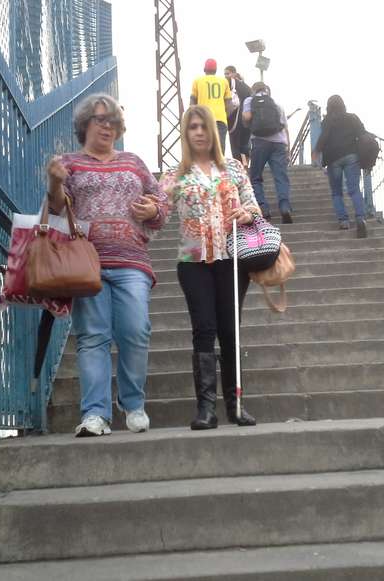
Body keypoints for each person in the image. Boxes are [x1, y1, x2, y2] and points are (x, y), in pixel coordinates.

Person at [47, 93, 169, 437]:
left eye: (113, 121)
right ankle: (95, 413)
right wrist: (55, 181)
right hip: (86, 261)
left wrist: (152, 211)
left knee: (135, 329)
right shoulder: (69, 162)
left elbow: (160, 202)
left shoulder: (133, 162)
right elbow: (57, 209)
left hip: (131, 259)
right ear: (84, 124)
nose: (108, 126)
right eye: (101, 119)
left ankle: (131, 402)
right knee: (93, 336)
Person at [160, 105, 258, 430]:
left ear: (212, 132)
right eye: (193, 127)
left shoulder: (232, 168)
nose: (199, 132)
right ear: (186, 134)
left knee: (230, 331)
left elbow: (252, 203)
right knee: (204, 330)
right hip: (194, 263)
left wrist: (247, 213)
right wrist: (148, 207)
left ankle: (235, 404)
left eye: (203, 126)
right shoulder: (176, 175)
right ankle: (206, 409)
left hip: (231, 260)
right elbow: (159, 210)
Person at [312, 94, 368, 238]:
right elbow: (363, 134)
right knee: (354, 189)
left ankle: (343, 221)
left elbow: (323, 137)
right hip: (351, 156)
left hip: (333, 159)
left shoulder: (327, 121)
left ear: (328, 107)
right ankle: (360, 218)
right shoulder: (352, 118)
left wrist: (316, 151)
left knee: (336, 192)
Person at [242, 82, 293, 224]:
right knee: (280, 176)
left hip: (260, 141)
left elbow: (246, 117)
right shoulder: (276, 104)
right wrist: (287, 149)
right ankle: (284, 207)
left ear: (253, 90)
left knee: (256, 177)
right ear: (267, 91)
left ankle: (264, 209)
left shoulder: (249, 100)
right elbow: (285, 128)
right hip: (279, 143)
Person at [190, 58, 233, 155]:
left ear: (204, 69)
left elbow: (192, 103)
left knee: (203, 150)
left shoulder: (197, 81)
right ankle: (219, 169)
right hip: (220, 120)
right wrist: (225, 116)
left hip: (203, 119)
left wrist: (192, 119)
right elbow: (230, 105)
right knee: (219, 151)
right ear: (216, 70)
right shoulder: (224, 81)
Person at [224, 66, 252, 167]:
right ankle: (246, 165)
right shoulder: (246, 87)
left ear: (234, 73)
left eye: (227, 73)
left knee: (235, 147)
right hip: (246, 121)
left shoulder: (230, 84)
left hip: (235, 122)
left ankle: (239, 167)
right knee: (244, 145)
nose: (226, 76)